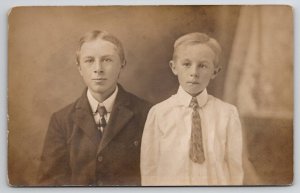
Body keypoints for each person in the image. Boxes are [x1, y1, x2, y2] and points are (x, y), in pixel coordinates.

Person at [38, 30, 151, 186]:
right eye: (89, 60)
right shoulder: (61, 120)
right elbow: (49, 183)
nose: (98, 68)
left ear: (122, 64)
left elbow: (158, 176)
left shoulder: (147, 113)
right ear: (79, 68)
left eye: (107, 60)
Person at [140, 32, 244, 186]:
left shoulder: (228, 114)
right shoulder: (159, 113)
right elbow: (149, 169)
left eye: (202, 66)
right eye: (187, 64)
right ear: (174, 67)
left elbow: (235, 168)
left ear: (215, 71)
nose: (194, 73)